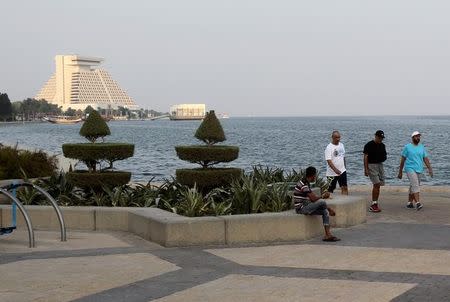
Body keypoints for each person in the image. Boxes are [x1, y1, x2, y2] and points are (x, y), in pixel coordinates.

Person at [293, 166, 340, 242]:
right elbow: (313, 199)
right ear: (313, 176)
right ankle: (330, 209)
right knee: (322, 202)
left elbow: (312, 198)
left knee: (325, 211)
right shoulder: (303, 185)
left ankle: (327, 235)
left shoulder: (305, 182)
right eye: (315, 175)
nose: (315, 177)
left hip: (306, 206)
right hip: (301, 209)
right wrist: (323, 196)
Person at [398, 131, 433, 210]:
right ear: (412, 137)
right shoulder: (407, 147)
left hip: (419, 169)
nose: (418, 138)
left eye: (419, 136)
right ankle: (418, 203)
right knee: (415, 185)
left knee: (413, 186)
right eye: (416, 136)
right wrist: (400, 171)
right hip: (409, 168)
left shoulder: (421, 147)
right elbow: (403, 159)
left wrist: (430, 168)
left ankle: (409, 203)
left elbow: (425, 158)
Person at [363, 130, 387, 212]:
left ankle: (375, 202)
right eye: (379, 137)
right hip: (371, 165)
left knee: (378, 185)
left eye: (382, 138)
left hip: (380, 165)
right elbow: (365, 157)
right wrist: (366, 169)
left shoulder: (382, 145)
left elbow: (384, 155)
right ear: (375, 136)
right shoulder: (369, 145)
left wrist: (383, 157)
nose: (381, 139)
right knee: (376, 184)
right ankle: (373, 204)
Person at [325, 130, 348, 195]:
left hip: (342, 171)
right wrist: (336, 170)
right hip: (331, 173)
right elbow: (329, 161)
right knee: (330, 190)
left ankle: (344, 201)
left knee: (344, 187)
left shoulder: (341, 145)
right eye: (336, 137)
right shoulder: (329, 147)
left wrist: (344, 168)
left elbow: (343, 157)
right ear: (332, 137)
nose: (338, 139)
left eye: (339, 137)